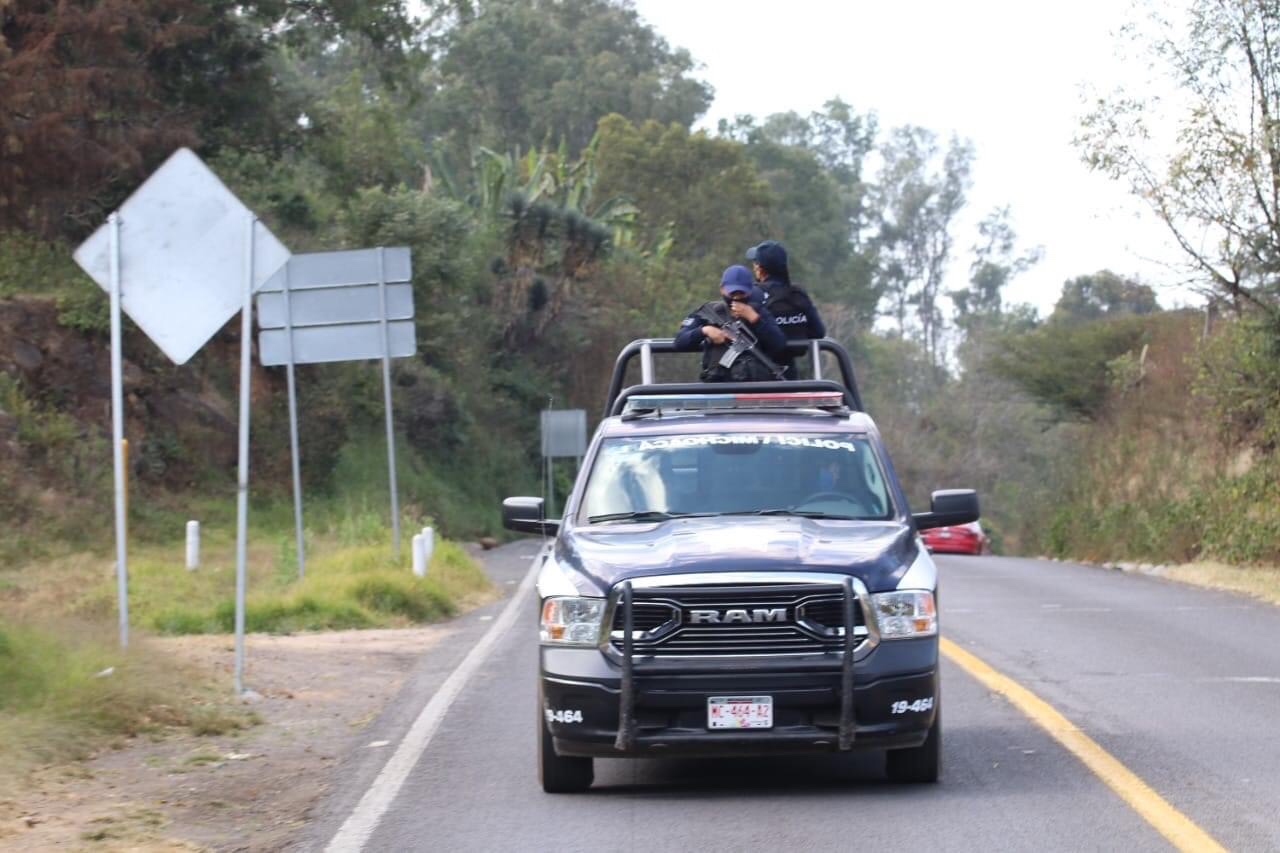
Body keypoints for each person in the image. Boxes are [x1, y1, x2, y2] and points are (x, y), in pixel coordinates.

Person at [674, 265, 787, 382]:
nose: (737, 297)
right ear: (722, 289)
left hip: (754, 386)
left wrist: (755, 319)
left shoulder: (758, 311)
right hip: (718, 386)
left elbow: (778, 344)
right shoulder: (710, 311)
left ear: (750, 291)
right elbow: (679, 341)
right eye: (732, 293)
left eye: (741, 293)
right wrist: (704, 331)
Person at [745, 240, 826, 378]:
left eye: (755, 263)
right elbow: (819, 332)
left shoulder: (753, 294)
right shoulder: (798, 294)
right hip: (789, 378)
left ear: (760, 268)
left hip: (756, 375)